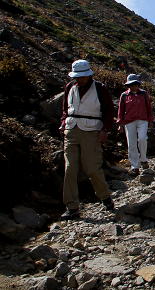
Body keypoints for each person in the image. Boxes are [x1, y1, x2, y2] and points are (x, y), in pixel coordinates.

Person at [59, 59, 115, 219]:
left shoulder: (99, 88)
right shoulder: (70, 87)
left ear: (89, 75)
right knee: (70, 168)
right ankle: (72, 207)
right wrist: (63, 123)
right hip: (71, 130)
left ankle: (105, 196)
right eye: (77, 76)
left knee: (92, 168)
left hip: (91, 131)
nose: (80, 79)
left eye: (82, 76)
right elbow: (65, 109)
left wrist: (105, 129)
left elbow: (108, 111)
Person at [116, 74, 154, 176]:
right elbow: (121, 110)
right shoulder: (124, 95)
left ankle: (143, 159)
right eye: (131, 84)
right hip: (129, 121)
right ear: (128, 85)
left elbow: (148, 107)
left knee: (142, 139)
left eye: (135, 84)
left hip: (143, 120)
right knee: (131, 143)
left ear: (138, 84)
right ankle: (135, 166)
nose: (134, 86)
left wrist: (150, 120)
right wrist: (120, 124)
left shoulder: (144, 94)